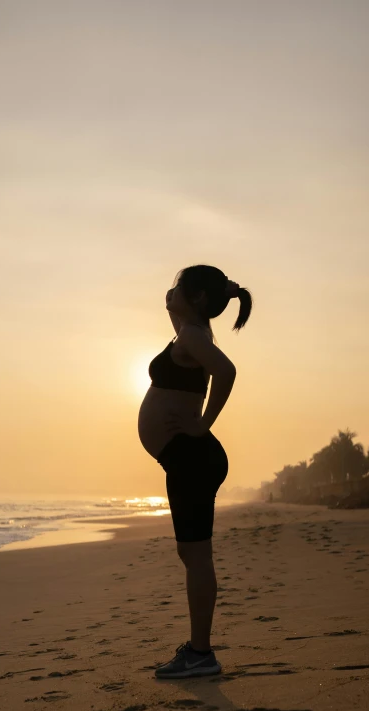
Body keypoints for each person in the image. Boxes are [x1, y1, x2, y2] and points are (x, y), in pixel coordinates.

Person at [138, 264, 253, 678]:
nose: (169, 293)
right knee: (192, 553)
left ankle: (201, 654)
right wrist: (179, 295)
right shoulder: (189, 330)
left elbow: (227, 372)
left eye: (177, 288)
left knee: (197, 556)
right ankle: (198, 650)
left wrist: (203, 423)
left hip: (192, 457)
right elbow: (173, 308)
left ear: (199, 298)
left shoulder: (191, 336)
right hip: (186, 458)